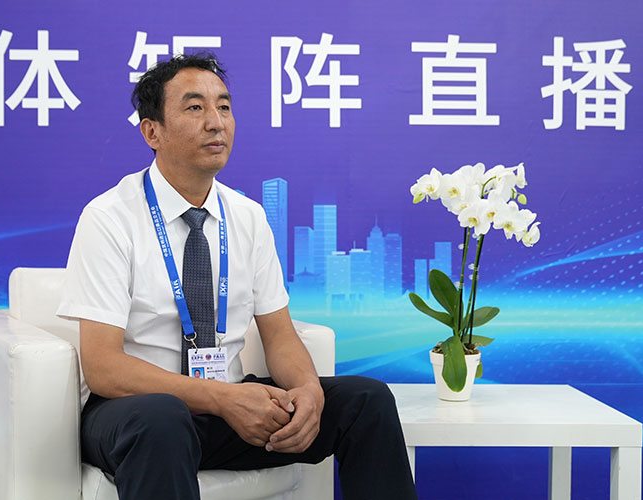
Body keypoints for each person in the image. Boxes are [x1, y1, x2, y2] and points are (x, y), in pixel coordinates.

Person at [57, 52, 417, 500]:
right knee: (162, 419)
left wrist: (308, 391)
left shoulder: (247, 216)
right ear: (152, 132)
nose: (216, 122)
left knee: (367, 401)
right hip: (135, 413)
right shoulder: (110, 217)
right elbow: (103, 367)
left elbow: (280, 337)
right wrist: (221, 398)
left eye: (224, 107)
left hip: (229, 407)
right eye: (195, 107)